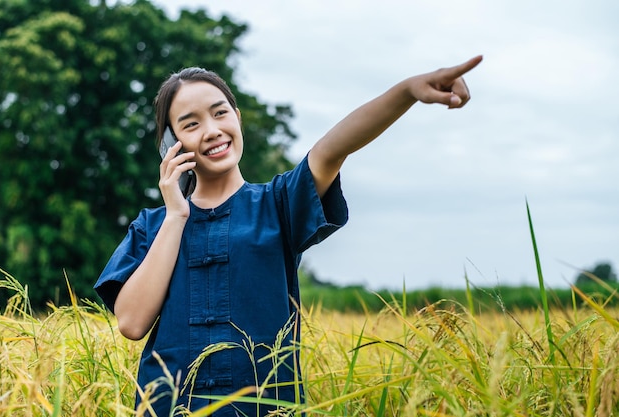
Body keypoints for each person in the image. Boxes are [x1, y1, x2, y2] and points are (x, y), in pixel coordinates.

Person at [94, 55, 483, 416]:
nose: (212, 131)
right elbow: (131, 322)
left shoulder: (277, 204)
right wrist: (177, 213)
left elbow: (333, 149)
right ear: (170, 143)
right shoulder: (152, 225)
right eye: (191, 123)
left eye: (219, 113)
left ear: (237, 118)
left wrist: (406, 91)